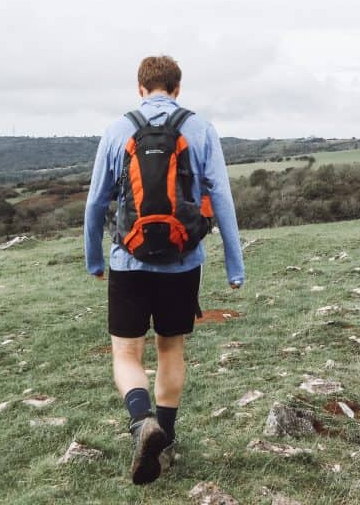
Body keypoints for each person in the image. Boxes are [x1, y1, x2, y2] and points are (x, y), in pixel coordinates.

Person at [84, 55, 245, 485]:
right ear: (176, 89)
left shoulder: (118, 129)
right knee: (171, 350)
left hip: (129, 262)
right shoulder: (200, 128)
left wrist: (94, 259)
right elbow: (222, 198)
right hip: (182, 263)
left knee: (126, 353)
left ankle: (141, 421)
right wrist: (235, 264)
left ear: (141, 88)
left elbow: (96, 202)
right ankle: (165, 439)